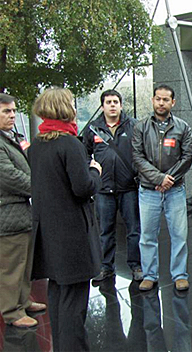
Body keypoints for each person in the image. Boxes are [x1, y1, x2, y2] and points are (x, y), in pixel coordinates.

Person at [28, 88, 102, 351]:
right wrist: (95, 171)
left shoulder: (37, 145)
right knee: (73, 306)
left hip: (49, 233)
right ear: (64, 108)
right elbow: (82, 188)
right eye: (71, 102)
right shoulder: (70, 144)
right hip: (72, 236)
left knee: (57, 297)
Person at [132, 84, 192, 292]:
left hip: (175, 190)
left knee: (179, 235)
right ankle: (149, 274)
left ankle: (180, 274)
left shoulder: (183, 127)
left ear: (173, 102)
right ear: (152, 100)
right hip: (149, 189)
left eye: (166, 99)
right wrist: (159, 178)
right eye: (158, 99)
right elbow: (138, 157)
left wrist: (169, 180)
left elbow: (187, 158)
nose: (161, 103)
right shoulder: (141, 126)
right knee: (147, 235)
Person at [82, 89, 143, 283]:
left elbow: (142, 151)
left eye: (116, 101)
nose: (112, 105)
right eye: (108, 102)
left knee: (134, 230)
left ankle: (136, 266)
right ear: (102, 106)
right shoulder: (92, 129)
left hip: (129, 187)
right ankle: (106, 267)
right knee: (105, 231)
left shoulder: (133, 125)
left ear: (121, 105)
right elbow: (84, 154)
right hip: (103, 189)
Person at [0, 93, 46, 329]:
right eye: (6, 111)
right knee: (11, 265)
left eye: (13, 111)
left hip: (22, 213)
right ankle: (11, 312)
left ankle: (24, 300)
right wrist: (39, 186)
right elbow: (10, 177)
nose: (12, 115)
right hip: (8, 215)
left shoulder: (13, 137)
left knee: (24, 262)